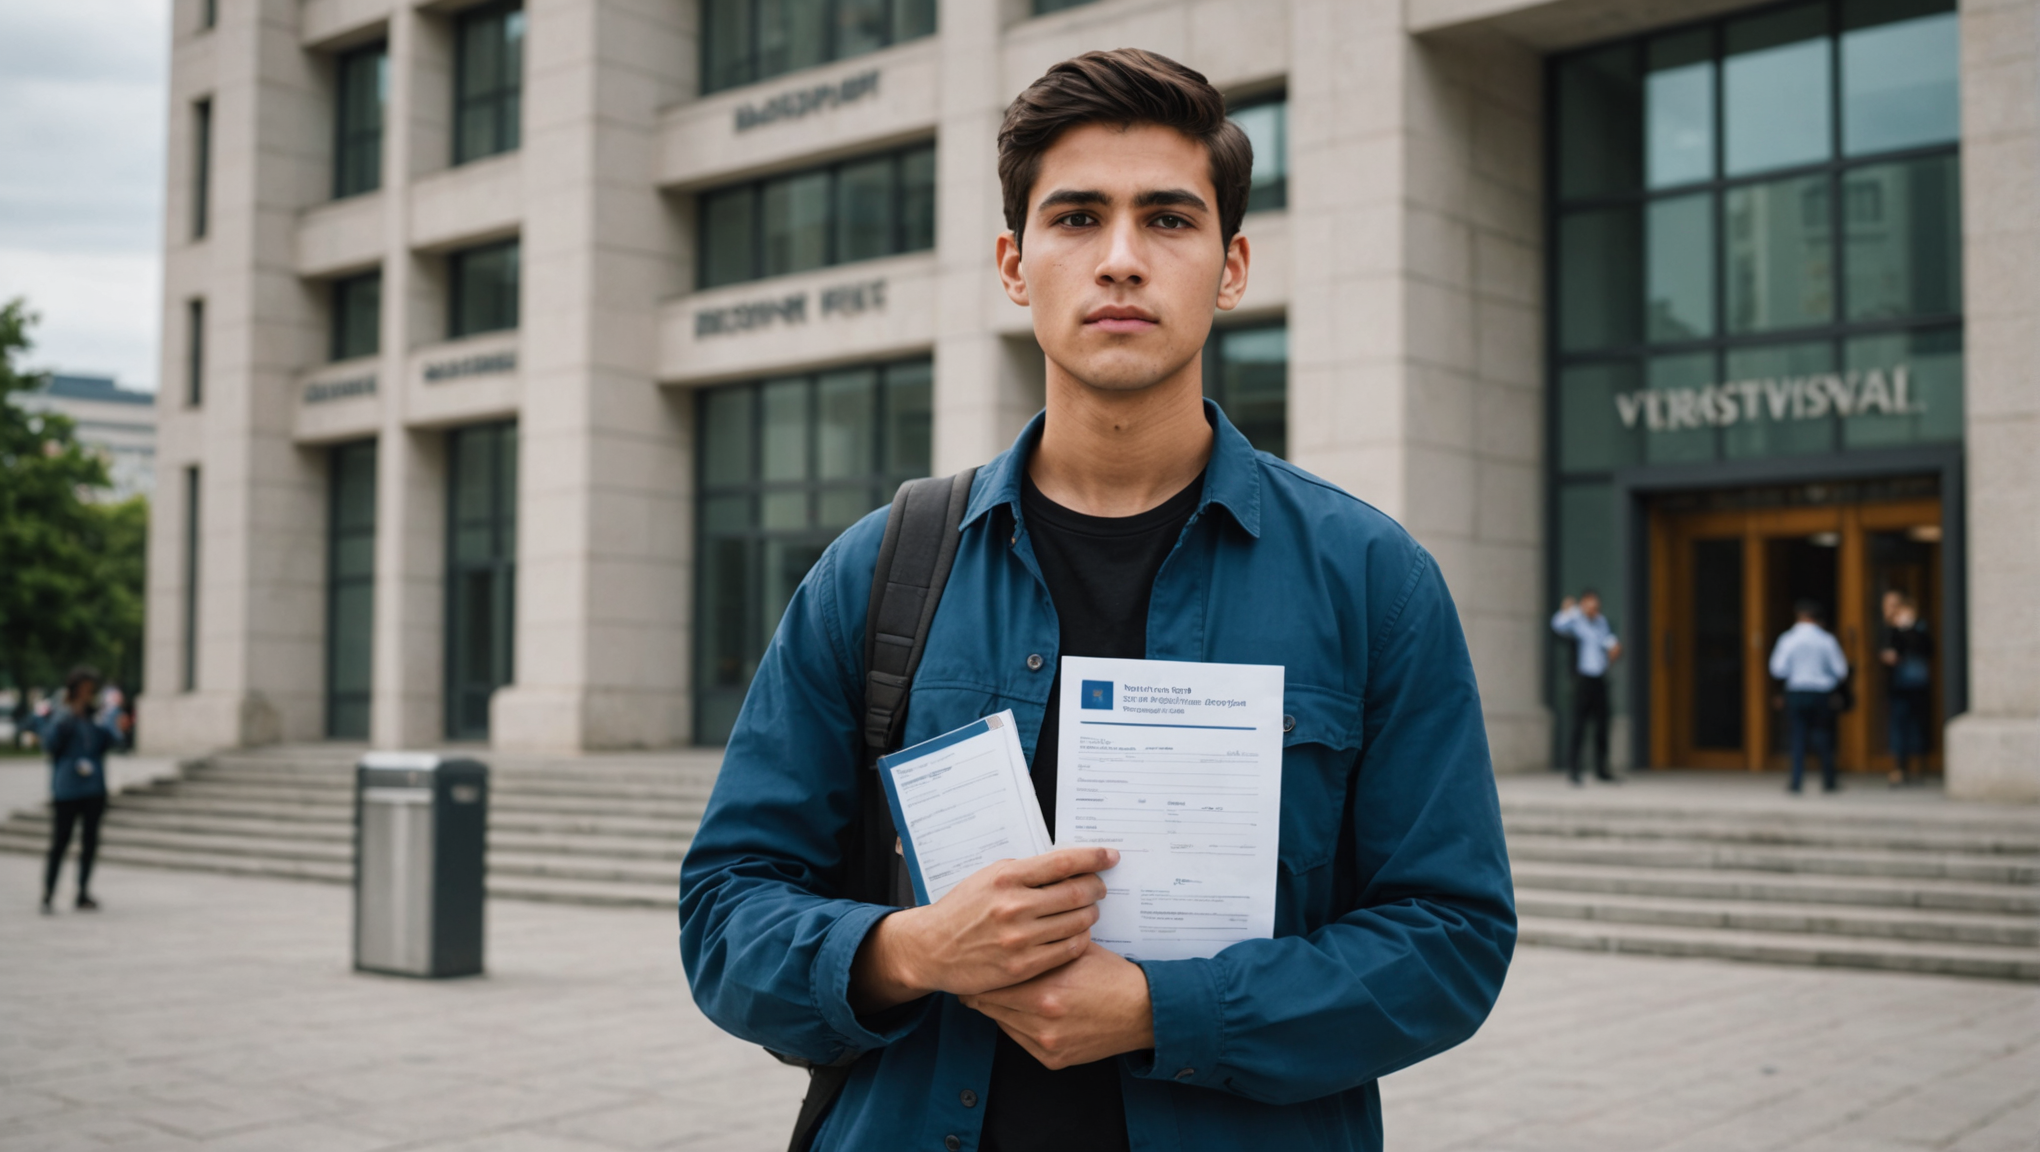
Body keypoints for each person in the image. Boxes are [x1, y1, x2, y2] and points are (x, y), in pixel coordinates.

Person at [679, 49, 1516, 1152]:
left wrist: (1166, 1011)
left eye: (1168, 220)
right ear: (1016, 265)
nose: (1121, 260)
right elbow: (726, 908)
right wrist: (913, 951)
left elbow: (1451, 939)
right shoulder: (876, 571)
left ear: (1232, 266)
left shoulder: (1371, 578)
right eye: (1077, 219)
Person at [42, 666, 120, 913]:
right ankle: (48, 894)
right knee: (60, 842)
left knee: (90, 841)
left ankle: (83, 892)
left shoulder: (95, 716)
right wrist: (66, 718)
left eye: (91, 688)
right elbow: (51, 745)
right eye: (84, 687)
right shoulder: (62, 715)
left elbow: (111, 742)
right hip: (67, 789)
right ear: (74, 688)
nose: (88, 693)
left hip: (93, 787)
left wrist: (112, 723)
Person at [1769, 602, 1849, 794]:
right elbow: (1840, 670)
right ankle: (1828, 780)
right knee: (1823, 735)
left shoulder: (1788, 639)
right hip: (1820, 692)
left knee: (1797, 736)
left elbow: (1777, 669)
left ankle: (1796, 782)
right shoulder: (1826, 640)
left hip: (1797, 691)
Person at [1551, 590, 1622, 785]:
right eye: (1589, 605)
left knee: (1602, 726)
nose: (1593, 609)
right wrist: (1569, 610)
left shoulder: (1601, 622)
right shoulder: (1575, 621)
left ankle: (1602, 769)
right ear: (1583, 604)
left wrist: (1614, 648)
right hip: (1582, 680)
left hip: (1599, 678)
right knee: (1578, 726)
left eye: (1595, 605)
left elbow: (1609, 640)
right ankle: (1574, 770)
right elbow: (1557, 625)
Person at [1878, 591, 1932, 787]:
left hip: (1916, 685)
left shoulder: (1918, 628)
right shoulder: (1888, 630)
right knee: (1898, 725)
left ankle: (1920, 766)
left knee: (1917, 725)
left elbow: (1927, 649)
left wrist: (1908, 628)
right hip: (1897, 686)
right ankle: (1900, 767)